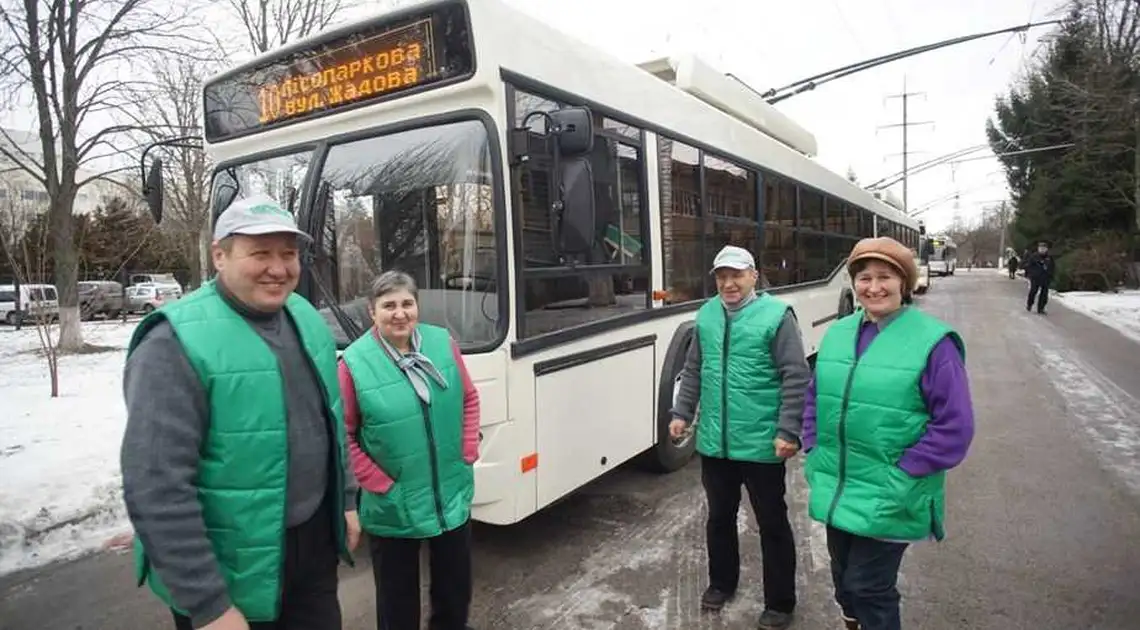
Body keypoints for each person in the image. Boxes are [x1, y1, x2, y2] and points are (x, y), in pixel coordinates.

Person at [120, 194, 360, 630]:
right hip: (231, 570)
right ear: (220, 255)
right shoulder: (171, 344)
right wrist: (209, 604)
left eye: (288, 254)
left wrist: (345, 501)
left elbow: (330, 418)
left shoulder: (305, 317)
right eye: (260, 253)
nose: (279, 267)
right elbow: (156, 486)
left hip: (313, 551)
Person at [802, 236, 975, 630]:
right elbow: (816, 395)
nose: (874, 287)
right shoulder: (839, 333)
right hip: (837, 482)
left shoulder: (934, 344)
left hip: (891, 490)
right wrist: (813, 447)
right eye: (864, 277)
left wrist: (905, 474)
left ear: (905, 283)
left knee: (868, 587)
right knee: (844, 583)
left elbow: (954, 426)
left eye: (885, 277)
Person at [669, 244, 811, 630]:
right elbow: (694, 368)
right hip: (716, 443)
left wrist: (788, 429)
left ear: (754, 275)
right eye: (721, 276)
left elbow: (795, 375)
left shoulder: (776, 316)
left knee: (772, 523)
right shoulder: (707, 314)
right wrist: (682, 412)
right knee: (719, 517)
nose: (729, 283)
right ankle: (721, 583)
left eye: (736, 275)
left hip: (762, 443)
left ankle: (780, 602)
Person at [339, 270, 480, 630]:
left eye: (406, 303)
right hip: (393, 505)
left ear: (417, 306)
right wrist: (381, 484)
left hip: (450, 490)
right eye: (389, 306)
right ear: (372, 311)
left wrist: (466, 451)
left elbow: (469, 398)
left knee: (454, 591)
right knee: (397, 601)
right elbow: (344, 435)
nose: (399, 313)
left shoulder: (441, 343)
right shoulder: (354, 363)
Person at [1022, 240, 1054, 314]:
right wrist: (1031, 274)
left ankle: (1041, 308)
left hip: (1045, 277)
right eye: (1041, 248)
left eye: (1044, 248)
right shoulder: (1034, 256)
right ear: (1038, 249)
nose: (1042, 250)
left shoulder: (1049, 257)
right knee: (1033, 291)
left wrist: (1050, 275)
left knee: (1044, 294)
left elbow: (1052, 267)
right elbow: (1029, 266)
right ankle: (1029, 304)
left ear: (1046, 249)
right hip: (1035, 277)